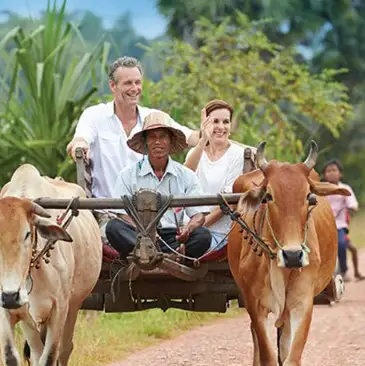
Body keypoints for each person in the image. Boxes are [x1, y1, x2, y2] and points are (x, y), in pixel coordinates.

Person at [65, 56, 203, 240]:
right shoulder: (95, 116)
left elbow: (191, 136)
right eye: (127, 83)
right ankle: (152, 246)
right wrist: (79, 146)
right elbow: (80, 139)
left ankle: (163, 246)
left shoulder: (153, 118)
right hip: (113, 214)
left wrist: (211, 130)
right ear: (113, 86)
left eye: (137, 82)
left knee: (200, 237)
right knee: (114, 231)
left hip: (160, 217)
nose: (134, 88)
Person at [105, 111, 212, 261]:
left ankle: (173, 255)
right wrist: (144, 234)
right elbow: (123, 215)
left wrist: (188, 229)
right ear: (145, 142)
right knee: (114, 228)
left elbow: (199, 215)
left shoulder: (186, 175)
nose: (157, 142)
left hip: (174, 237)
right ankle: (153, 254)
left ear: (170, 141)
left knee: (203, 236)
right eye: (152, 137)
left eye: (162, 137)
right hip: (139, 236)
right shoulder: (127, 175)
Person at [183, 99, 247, 252]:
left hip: (217, 234)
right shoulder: (196, 153)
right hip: (188, 227)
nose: (221, 127)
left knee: (197, 241)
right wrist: (203, 140)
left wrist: (195, 227)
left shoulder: (237, 155)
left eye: (226, 122)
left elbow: (226, 204)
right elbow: (184, 178)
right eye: (215, 121)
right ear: (205, 124)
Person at [322, 160, 362, 281]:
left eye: (334, 170)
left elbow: (353, 204)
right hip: (323, 225)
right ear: (324, 175)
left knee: (341, 244)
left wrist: (351, 209)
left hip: (339, 225)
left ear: (340, 174)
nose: (331, 173)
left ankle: (344, 270)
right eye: (328, 171)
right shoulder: (321, 189)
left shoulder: (344, 189)